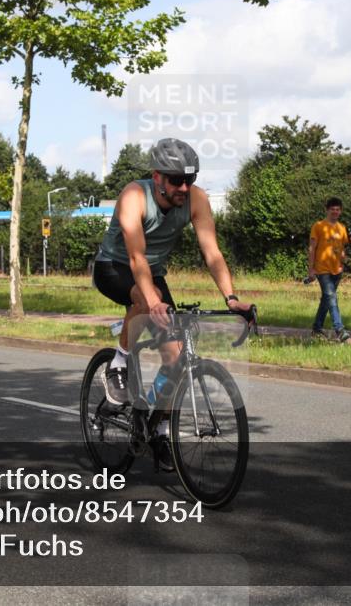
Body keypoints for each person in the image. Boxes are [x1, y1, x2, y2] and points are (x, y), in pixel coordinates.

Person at [92, 138, 254, 464]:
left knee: (176, 358)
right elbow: (136, 258)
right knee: (141, 298)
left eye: (189, 180)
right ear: (157, 177)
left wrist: (232, 298)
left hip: (152, 274)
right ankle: (118, 365)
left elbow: (212, 253)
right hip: (115, 268)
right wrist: (152, 300)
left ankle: (159, 428)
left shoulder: (196, 200)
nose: (184, 187)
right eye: (177, 180)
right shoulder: (134, 196)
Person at [307, 197, 350, 342]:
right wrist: (311, 269)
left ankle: (317, 328)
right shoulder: (318, 226)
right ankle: (339, 329)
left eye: (338, 209)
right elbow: (312, 249)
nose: (335, 212)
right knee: (332, 297)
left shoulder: (342, 228)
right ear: (327, 210)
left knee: (326, 299)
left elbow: (342, 249)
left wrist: (344, 262)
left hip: (337, 270)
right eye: (332, 209)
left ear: (341, 211)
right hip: (322, 269)